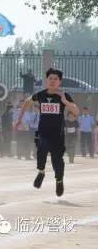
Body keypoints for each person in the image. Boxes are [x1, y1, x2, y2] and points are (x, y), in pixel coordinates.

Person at [14, 68, 79, 197]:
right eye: (50, 79)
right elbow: (27, 102)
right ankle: (41, 172)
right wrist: (19, 120)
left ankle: (59, 180)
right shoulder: (41, 95)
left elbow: (76, 112)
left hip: (57, 134)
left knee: (57, 160)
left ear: (60, 82)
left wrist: (66, 102)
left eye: (56, 79)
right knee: (41, 150)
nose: (53, 81)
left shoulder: (64, 96)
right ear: (47, 80)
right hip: (43, 131)